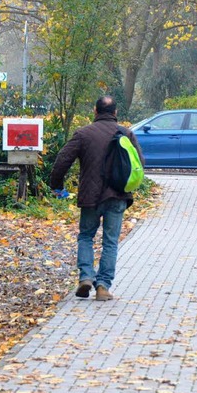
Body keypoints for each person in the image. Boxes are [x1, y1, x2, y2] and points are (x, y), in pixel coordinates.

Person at [49, 95, 144, 301]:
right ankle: (103, 286)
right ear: (116, 113)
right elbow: (140, 164)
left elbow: (63, 160)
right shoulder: (126, 134)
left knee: (86, 237)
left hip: (90, 197)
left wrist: (56, 184)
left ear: (95, 111)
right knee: (110, 242)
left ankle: (85, 277)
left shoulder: (83, 134)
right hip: (117, 195)